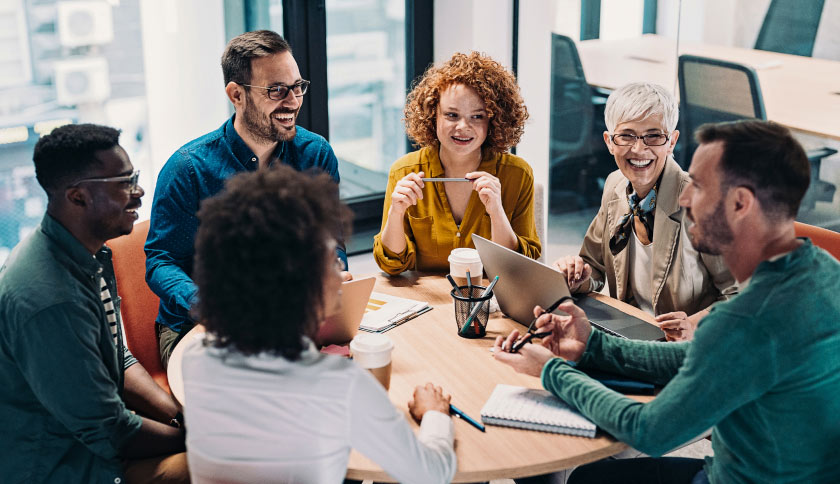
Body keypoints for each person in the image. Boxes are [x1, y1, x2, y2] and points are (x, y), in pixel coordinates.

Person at [494, 120, 840, 483]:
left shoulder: (746, 320)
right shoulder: (822, 271)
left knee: (587, 479)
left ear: (740, 203)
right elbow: (698, 355)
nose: (685, 197)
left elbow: (648, 430)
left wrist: (551, 371)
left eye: (700, 186)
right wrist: (591, 345)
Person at [181, 166, 457, 483]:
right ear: (296, 281)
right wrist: (434, 414)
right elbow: (432, 474)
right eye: (329, 257)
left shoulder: (196, 359)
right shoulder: (338, 385)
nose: (340, 267)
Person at [145, 30, 349, 368]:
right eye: (277, 90)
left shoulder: (315, 154)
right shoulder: (188, 169)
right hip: (198, 326)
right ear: (236, 94)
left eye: (298, 87)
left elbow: (331, 240)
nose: (294, 101)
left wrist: (333, 268)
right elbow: (160, 261)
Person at [0, 124, 188, 483]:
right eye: (124, 182)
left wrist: (178, 414)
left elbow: (117, 355)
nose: (140, 191)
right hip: (70, 467)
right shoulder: (50, 300)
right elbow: (110, 432)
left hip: (94, 444)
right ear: (78, 197)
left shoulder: (86, 252)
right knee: (235, 466)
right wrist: (199, 439)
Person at [553, 82, 737, 341]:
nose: (639, 149)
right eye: (627, 136)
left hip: (685, 350)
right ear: (609, 142)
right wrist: (575, 275)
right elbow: (593, 267)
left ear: (671, 141)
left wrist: (696, 325)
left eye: (653, 136)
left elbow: (743, 294)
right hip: (627, 336)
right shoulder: (615, 185)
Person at [373, 51, 541, 274]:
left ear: (494, 120)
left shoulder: (518, 174)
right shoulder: (404, 171)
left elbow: (519, 267)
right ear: (433, 115)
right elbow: (392, 264)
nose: (463, 126)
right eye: (452, 115)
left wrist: (496, 211)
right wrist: (396, 212)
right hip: (428, 302)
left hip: (490, 302)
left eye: (477, 116)